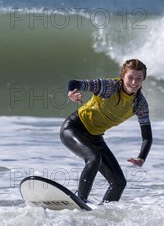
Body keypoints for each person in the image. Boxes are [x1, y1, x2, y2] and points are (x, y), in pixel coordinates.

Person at [60, 59, 152, 203]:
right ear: (123, 77)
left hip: (95, 137)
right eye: (130, 77)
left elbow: (147, 136)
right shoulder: (109, 87)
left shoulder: (139, 103)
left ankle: (104, 212)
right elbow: (75, 82)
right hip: (74, 128)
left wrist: (141, 157)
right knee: (94, 158)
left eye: (139, 78)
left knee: (119, 183)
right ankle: (80, 200)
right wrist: (71, 92)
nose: (134, 82)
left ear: (143, 79)